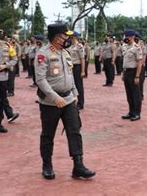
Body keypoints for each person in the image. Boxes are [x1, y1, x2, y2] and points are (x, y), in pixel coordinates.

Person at [35, 23, 95, 180]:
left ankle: (78, 165)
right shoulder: (43, 54)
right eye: (65, 36)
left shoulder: (66, 53)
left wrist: (75, 94)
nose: (68, 39)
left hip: (68, 100)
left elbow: (70, 76)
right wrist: (55, 97)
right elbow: (40, 80)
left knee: (74, 131)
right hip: (50, 102)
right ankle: (47, 165)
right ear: (57, 38)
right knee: (48, 135)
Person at [121, 29, 143, 121]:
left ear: (132, 37)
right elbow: (125, 61)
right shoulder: (126, 47)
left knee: (136, 94)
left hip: (133, 72)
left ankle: (137, 113)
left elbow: (139, 62)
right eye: (125, 36)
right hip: (126, 72)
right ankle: (131, 112)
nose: (126, 38)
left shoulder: (137, 48)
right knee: (129, 94)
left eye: (128, 37)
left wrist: (137, 76)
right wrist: (123, 73)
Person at [69, 32, 86, 110]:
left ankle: (80, 103)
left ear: (74, 37)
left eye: (70, 37)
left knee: (78, 85)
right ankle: (73, 101)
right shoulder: (70, 46)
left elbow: (82, 59)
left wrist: (83, 71)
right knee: (71, 85)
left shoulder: (79, 46)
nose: (69, 38)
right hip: (70, 67)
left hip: (77, 67)